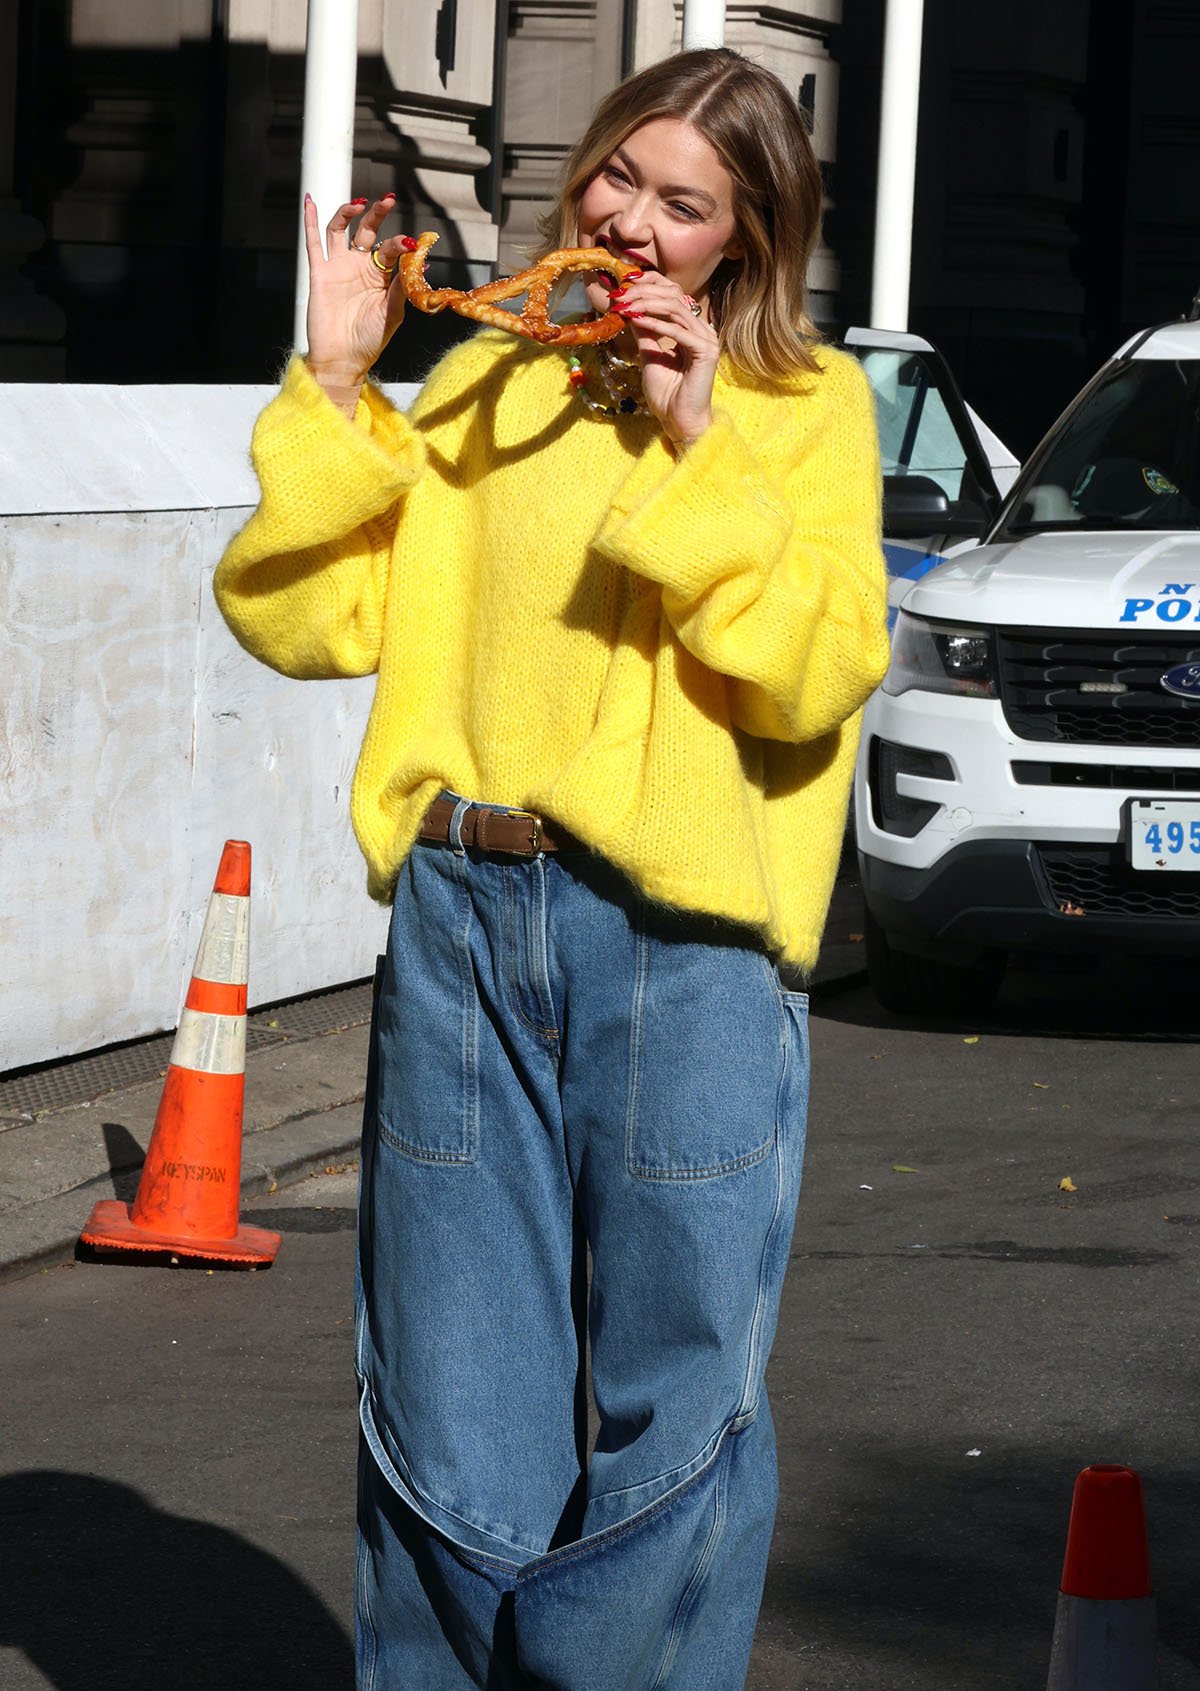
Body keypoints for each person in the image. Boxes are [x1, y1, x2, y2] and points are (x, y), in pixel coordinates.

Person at [215, 45, 890, 1691]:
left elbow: (815, 672)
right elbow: (309, 619)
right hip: (463, 909)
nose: (632, 222)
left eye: (684, 203)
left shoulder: (804, 410)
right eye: (617, 178)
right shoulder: (489, 385)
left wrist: (690, 437)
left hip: (685, 947)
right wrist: (341, 385)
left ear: (747, 237)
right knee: (446, 1410)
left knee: (680, 1411)